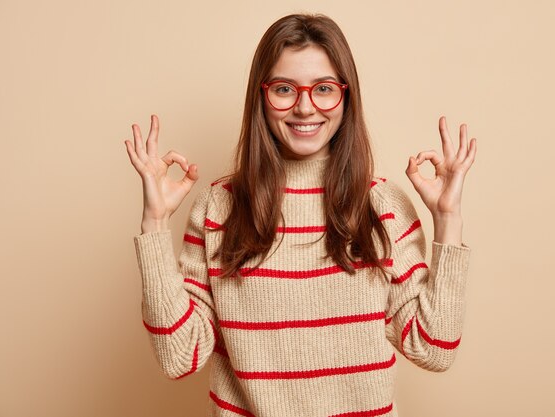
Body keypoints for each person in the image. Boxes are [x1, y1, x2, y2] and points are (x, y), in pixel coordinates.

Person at [124, 13, 476, 417]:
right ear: (261, 95)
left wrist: (448, 221)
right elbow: (178, 357)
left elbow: (433, 348)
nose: (305, 108)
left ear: (346, 96)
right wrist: (153, 226)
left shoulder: (383, 205)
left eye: (323, 89)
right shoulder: (218, 207)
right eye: (285, 89)